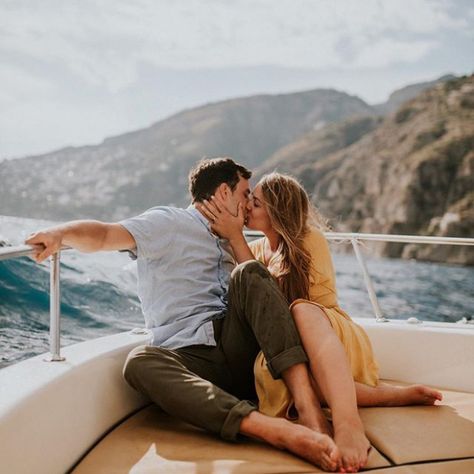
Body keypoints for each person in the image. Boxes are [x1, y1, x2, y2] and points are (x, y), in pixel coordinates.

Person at [25, 158, 342, 472]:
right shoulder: (170, 222)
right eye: (245, 194)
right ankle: (274, 431)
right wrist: (60, 234)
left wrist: (235, 237)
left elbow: (267, 298)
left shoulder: (237, 242)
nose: (249, 204)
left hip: (240, 349)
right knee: (140, 362)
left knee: (250, 273)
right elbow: (107, 235)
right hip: (192, 358)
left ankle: (309, 410)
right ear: (222, 192)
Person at [197, 171, 443, 473]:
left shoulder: (308, 239)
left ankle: (348, 424)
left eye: (256, 203)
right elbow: (261, 310)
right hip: (295, 349)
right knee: (278, 367)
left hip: (327, 332)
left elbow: (292, 305)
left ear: (277, 212)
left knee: (301, 311)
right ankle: (384, 396)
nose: (247, 206)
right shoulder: (259, 250)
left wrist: (235, 237)